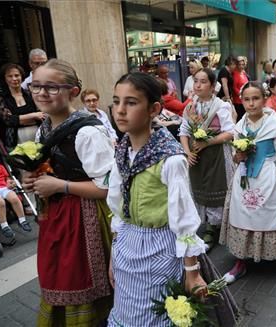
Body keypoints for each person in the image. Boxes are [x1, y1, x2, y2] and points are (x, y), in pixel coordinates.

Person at [107, 72, 207, 326]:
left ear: (154, 109)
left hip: (159, 246)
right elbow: (119, 208)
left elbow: (184, 219)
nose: (120, 110)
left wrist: (192, 273)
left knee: (156, 313)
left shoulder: (170, 159)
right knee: (127, 312)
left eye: (130, 103)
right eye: (116, 101)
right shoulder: (122, 150)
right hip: (128, 244)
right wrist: (114, 257)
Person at [22, 59, 114, 326]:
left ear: (73, 91)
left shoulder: (88, 132)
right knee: (57, 274)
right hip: (56, 215)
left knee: (77, 276)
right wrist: (34, 177)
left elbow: (108, 187)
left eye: (51, 87)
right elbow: (47, 167)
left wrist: (60, 186)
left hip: (85, 217)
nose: (41, 93)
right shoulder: (45, 127)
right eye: (36, 86)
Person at [220, 81, 276, 283]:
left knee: (264, 212)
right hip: (244, 176)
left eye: (256, 98)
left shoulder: (275, 126)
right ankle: (241, 260)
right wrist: (238, 155)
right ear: (242, 101)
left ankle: (267, 253)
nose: (251, 104)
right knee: (244, 213)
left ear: (264, 100)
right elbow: (234, 157)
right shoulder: (240, 126)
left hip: (267, 176)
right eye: (247, 99)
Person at [180, 68, 235, 250]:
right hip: (196, 155)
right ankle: (204, 222)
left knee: (215, 186)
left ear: (212, 86)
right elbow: (184, 131)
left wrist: (207, 143)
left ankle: (213, 227)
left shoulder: (221, 106)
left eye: (203, 81)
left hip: (215, 154)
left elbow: (230, 132)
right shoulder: (190, 106)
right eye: (196, 81)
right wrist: (187, 152)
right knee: (199, 187)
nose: (198, 85)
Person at [0, 147, 31, 238]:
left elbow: (6, 178)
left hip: (3, 187)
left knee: (14, 198)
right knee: (0, 202)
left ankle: (22, 220)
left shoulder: (0, 167)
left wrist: (9, 182)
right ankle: (4, 226)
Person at [0, 63, 45, 150]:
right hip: (15, 139)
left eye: (16, 75)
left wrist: (18, 119)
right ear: (5, 78)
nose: (14, 79)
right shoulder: (2, 97)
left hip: (37, 135)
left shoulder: (30, 93)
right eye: (10, 76)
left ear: (21, 76)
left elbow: (42, 114)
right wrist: (33, 115)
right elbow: (8, 120)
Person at [232, 56, 250, 121]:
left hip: (245, 99)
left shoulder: (244, 73)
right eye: (239, 64)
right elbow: (234, 87)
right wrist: (240, 94)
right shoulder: (235, 74)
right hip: (238, 100)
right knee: (240, 117)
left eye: (243, 64)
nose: (241, 66)